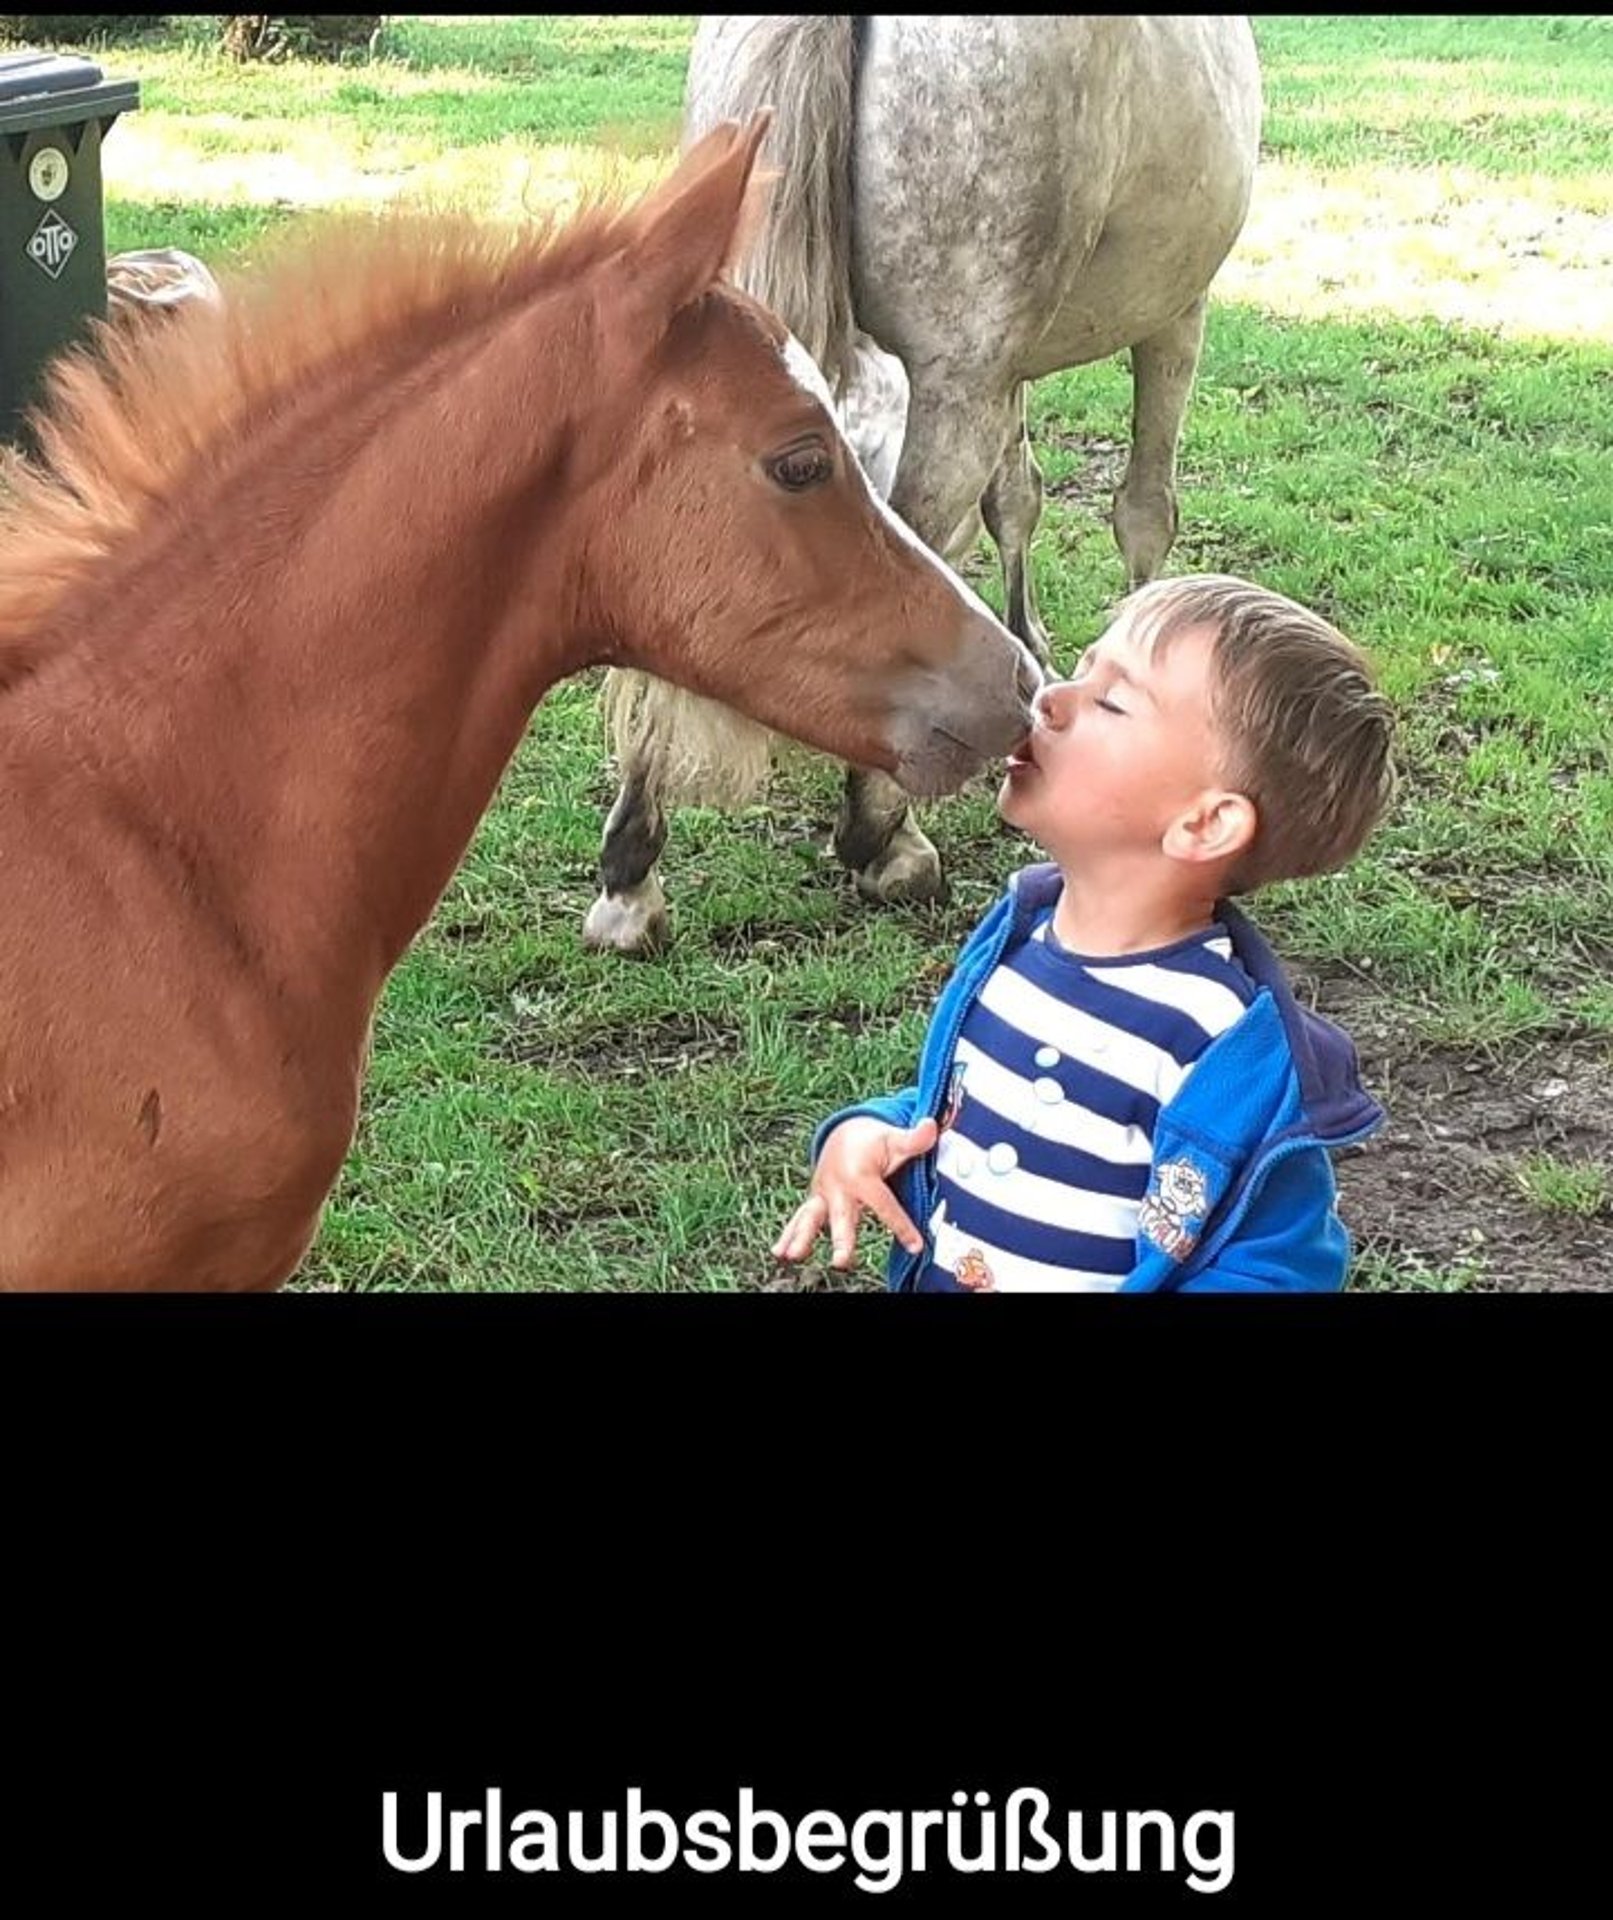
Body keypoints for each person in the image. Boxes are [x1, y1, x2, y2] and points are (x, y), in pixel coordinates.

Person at [772, 573, 1397, 1291]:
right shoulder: (1016, 944)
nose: (1049, 698)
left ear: (1203, 824)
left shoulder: (1226, 1046)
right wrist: (861, 1136)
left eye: (1110, 700)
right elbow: (952, 1108)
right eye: (1076, 668)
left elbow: (1278, 1265)